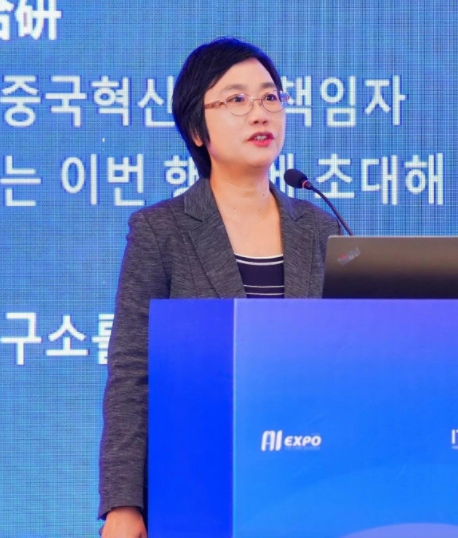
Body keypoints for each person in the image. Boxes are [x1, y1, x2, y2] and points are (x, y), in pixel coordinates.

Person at [98, 38, 341, 538]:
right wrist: (123, 504)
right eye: (236, 100)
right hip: (201, 483)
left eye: (270, 97)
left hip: (309, 482)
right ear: (196, 130)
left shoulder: (319, 230)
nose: (260, 113)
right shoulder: (161, 231)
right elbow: (132, 372)